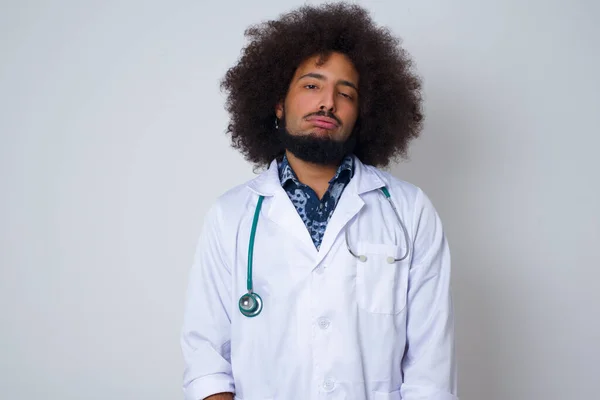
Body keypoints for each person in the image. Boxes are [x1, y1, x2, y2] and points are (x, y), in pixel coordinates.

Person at [181, 3, 457, 399]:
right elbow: (206, 360)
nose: (328, 102)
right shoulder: (231, 215)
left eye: (346, 93)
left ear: (362, 113)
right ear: (279, 103)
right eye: (312, 86)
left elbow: (431, 371)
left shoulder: (409, 211)